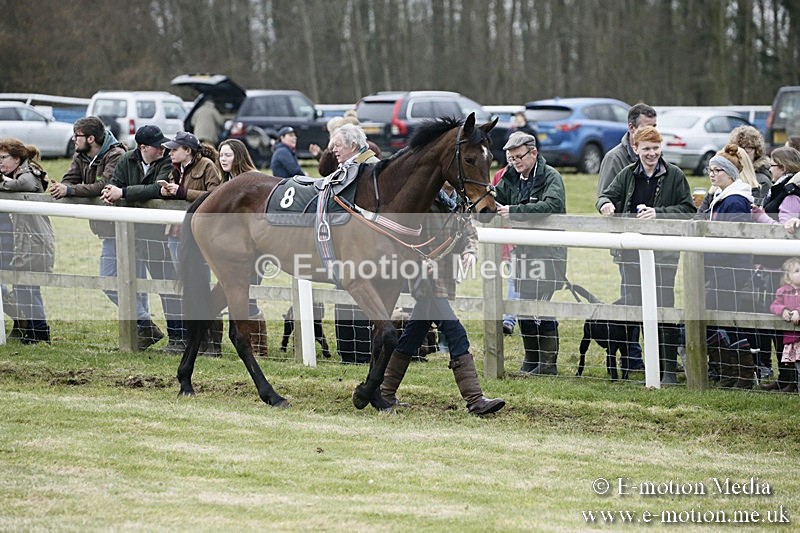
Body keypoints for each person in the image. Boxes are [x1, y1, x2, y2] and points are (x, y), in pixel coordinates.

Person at [379, 188, 505, 415]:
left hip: (444, 279)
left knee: (413, 336)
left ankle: (384, 393)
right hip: (425, 280)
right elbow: (402, 236)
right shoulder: (423, 196)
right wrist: (416, 260)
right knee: (456, 333)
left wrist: (470, 251)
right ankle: (475, 400)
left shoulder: (459, 200)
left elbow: (469, 232)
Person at [48, 117, 164, 348]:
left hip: (125, 226)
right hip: (111, 227)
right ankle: (143, 330)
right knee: (128, 283)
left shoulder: (115, 155)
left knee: (111, 280)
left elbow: (104, 186)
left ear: (90, 138)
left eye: (77, 135)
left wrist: (70, 190)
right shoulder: (81, 155)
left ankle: (144, 325)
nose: (73, 139)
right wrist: (65, 187)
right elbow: (69, 178)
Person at [596, 126, 695, 385]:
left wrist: (659, 213)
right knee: (635, 309)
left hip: (663, 256)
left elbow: (688, 209)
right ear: (636, 148)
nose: (652, 153)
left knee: (664, 311)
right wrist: (605, 204)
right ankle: (638, 364)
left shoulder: (675, 174)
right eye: (647, 149)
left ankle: (669, 369)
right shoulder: (627, 174)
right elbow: (605, 195)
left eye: (655, 148)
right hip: (630, 255)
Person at [100, 125, 186, 353]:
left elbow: (156, 190)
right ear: (144, 147)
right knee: (126, 283)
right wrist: (112, 192)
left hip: (156, 234)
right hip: (130, 232)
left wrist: (124, 193)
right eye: (158, 146)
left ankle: (178, 338)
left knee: (166, 285)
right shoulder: (127, 159)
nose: (163, 149)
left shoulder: (166, 160)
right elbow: (117, 184)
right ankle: (144, 329)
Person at [496, 131, 567, 376]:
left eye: (519, 157)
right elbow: (496, 197)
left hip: (549, 254)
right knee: (524, 304)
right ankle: (530, 359)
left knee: (542, 305)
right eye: (511, 158)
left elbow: (552, 206)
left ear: (533, 153)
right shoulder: (510, 176)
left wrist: (514, 210)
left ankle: (548, 364)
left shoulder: (551, 177)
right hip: (522, 252)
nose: (515, 162)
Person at [595, 103, 657, 371]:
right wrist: (608, 207)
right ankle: (633, 357)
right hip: (629, 242)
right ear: (631, 128)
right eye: (647, 127)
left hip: (655, 240)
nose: (652, 133)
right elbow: (604, 196)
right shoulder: (615, 158)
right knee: (632, 298)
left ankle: (661, 356)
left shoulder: (655, 154)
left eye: (655, 128)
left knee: (659, 298)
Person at [703, 144, 756, 389]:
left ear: (730, 174)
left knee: (727, 318)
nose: (712, 174)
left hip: (731, 267)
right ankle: (728, 371)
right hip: (721, 266)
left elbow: (731, 240)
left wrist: (708, 257)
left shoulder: (734, 200)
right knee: (717, 317)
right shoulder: (721, 197)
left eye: (717, 170)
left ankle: (742, 373)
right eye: (710, 170)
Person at [750, 146, 800, 392]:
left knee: (786, 321)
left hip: (785, 267)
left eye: (773, 165)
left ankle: (790, 378)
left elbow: (783, 230)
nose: (769, 169)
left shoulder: (789, 194)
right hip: (778, 265)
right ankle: (786, 377)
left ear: (783, 167)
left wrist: (759, 216)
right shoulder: (782, 189)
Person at [216, 138, 268, 357]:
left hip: (255, 250)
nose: (223, 159)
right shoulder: (224, 183)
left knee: (249, 295)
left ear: (238, 156)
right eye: (221, 155)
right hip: (229, 252)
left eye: (228, 155)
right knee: (235, 295)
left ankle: (259, 345)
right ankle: (246, 341)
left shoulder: (253, 181)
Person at [0, 138, 55, 343]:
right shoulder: (14, 174)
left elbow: (25, 185)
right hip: (21, 242)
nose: (0, 162)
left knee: (28, 288)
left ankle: (39, 333)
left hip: (34, 242)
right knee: (24, 288)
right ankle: (33, 332)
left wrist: (2, 182)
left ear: (17, 158)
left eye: (3, 158)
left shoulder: (28, 174)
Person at [159, 131, 222, 265]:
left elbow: (215, 195)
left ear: (188, 150)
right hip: (174, 229)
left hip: (197, 230)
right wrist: (166, 192)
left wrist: (183, 192)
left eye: (175, 149)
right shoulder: (174, 168)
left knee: (198, 274)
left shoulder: (207, 165)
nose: (170, 153)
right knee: (180, 273)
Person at [769, 257, 800, 393]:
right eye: (797, 270)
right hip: (792, 337)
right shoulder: (783, 291)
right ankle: (794, 385)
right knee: (795, 363)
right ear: (788, 277)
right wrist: (783, 310)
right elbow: (773, 305)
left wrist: (798, 311)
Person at [729, 125, 771, 200]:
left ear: (757, 150)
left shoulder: (761, 180)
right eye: (740, 148)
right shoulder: (726, 173)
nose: (744, 152)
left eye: (749, 148)